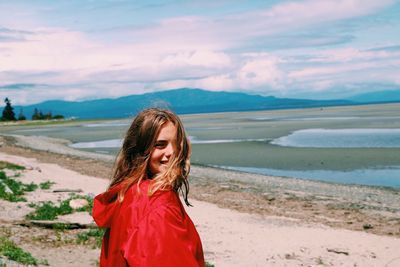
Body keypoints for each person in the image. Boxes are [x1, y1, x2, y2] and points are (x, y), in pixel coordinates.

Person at [92, 108, 205, 267]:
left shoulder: (129, 192)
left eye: (177, 142)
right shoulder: (158, 207)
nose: (173, 152)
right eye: (160, 145)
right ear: (140, 150)